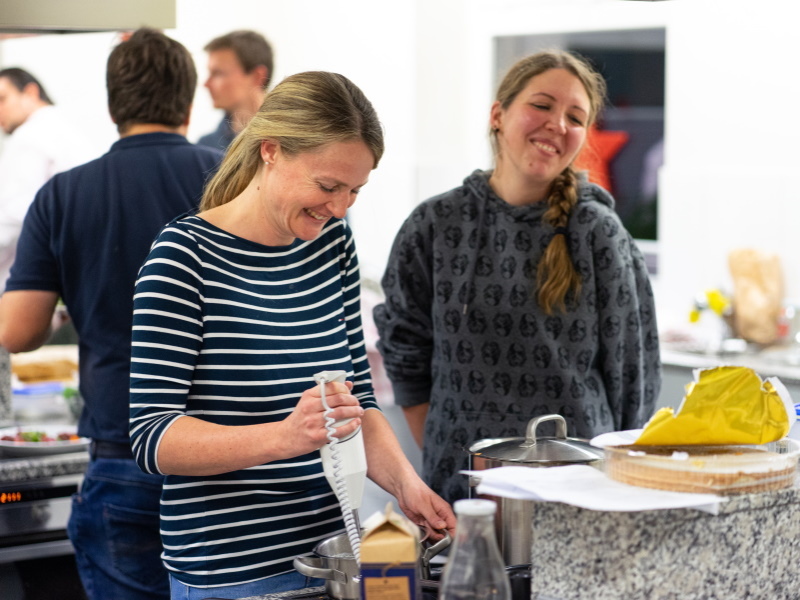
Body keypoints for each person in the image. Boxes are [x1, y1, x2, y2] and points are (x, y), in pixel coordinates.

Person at [129, 70, 456, 600]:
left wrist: (408, 486)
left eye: (354, 190)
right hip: (232, 575)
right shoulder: (183, 258)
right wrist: (285, 436)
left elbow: (357, 403)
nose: (340, 207)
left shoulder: (333, 244)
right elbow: (152, 437)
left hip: (332, 559)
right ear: (271, 150)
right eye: (327, 186)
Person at [373, 50, 662, 504]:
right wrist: (449, 452)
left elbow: (634, 380)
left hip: (578, 493)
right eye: (542, 105)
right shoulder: (435, 225)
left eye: (575, 117)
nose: (557, 124)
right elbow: (405, 351)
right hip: (463, 490)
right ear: (498, 115)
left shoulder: (599, 233)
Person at [0, 29, 223, 600]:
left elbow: (17, 330)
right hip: (228, 456)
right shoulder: (234, 183)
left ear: (112, 106)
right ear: (188, 102)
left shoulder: (64, 194)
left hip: (122, 454)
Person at [0, 67, 95, 289]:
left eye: (2, 99)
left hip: (32, 281)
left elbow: (14, 216)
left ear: (31, 93)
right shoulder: (69, 128)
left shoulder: (30, 135)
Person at [197, 29, 273, 150]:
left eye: (218, 73)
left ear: (257, 76)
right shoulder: (206, 146)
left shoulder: (291, 140)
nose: (206, 84)